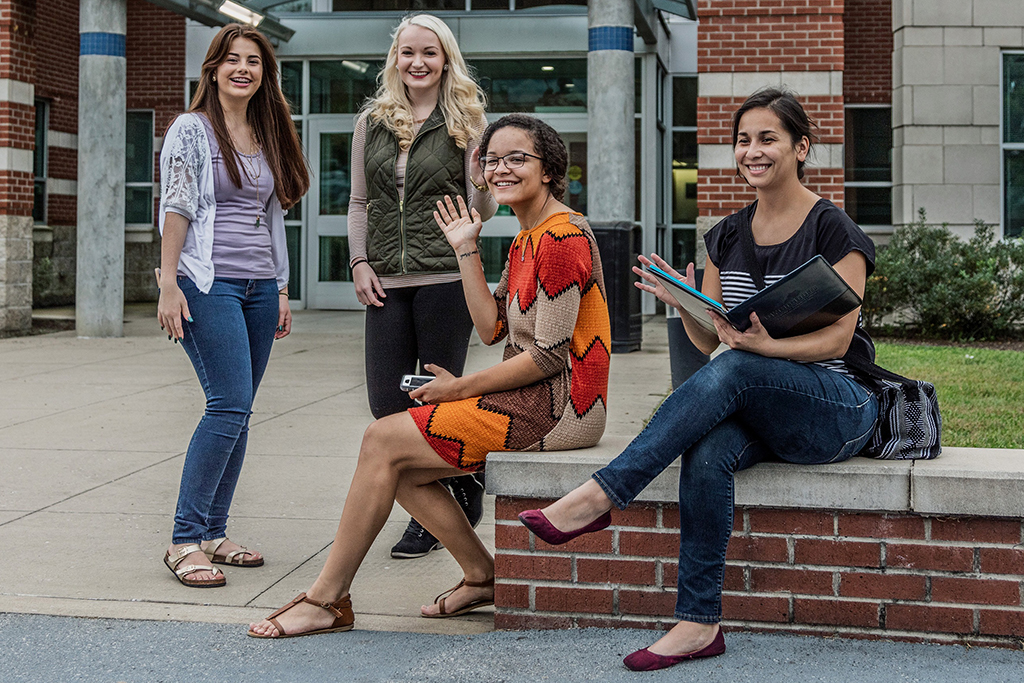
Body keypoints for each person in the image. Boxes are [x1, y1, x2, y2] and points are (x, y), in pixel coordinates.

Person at [518, 88, 880, 671]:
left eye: (768, 139)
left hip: (836, 405)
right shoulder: (726, 235)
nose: (751, 151)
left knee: (736, 366)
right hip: (757, 399)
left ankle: (603, 494)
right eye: (743, 140)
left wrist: (765, 348)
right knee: (708, 448)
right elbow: (714, 341)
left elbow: (838, 341)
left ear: (801, 147)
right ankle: (698, 623)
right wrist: (686, 305)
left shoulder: (834, 229)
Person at [247, 114, 610, 638]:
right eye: (492, 160)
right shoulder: (527, 236)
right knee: (396, 465)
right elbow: (491, 328)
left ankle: (327, 599)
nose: (501, 169)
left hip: (561, 408)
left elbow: (550, 358)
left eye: (517, 159)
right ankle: (482, 575)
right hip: (535, 398)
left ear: (550, 170)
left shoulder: (561, 238)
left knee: (382, 440)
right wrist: (465, 247)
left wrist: (459, 388)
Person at [157, 24, 309, 588]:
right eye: (232, 59)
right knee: (228, 405)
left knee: (239, 411)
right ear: (214, 69)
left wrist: (282, 288)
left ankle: (213, 533)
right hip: (208, 282)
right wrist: (168, 282)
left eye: (254, 61)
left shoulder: (266, 134)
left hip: (259, 287)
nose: (243, 69)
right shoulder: (192, 129)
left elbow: (272, 218)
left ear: (264, 74)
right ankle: (184, 540)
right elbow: (176, 205)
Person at [347, 13, 497, 560]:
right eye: (408, 52)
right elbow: (360, 201)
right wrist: (358, 262)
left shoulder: (468, 122)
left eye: (429, 52)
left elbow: (483, 210)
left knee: (436, 401)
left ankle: (432, 516)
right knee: (387, 404)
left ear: (445, 59)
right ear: (395, 59)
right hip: (386, 279)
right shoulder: (372, 122)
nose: (418, 62)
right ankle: (461, 482)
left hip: (445, 279)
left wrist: (480, 180)